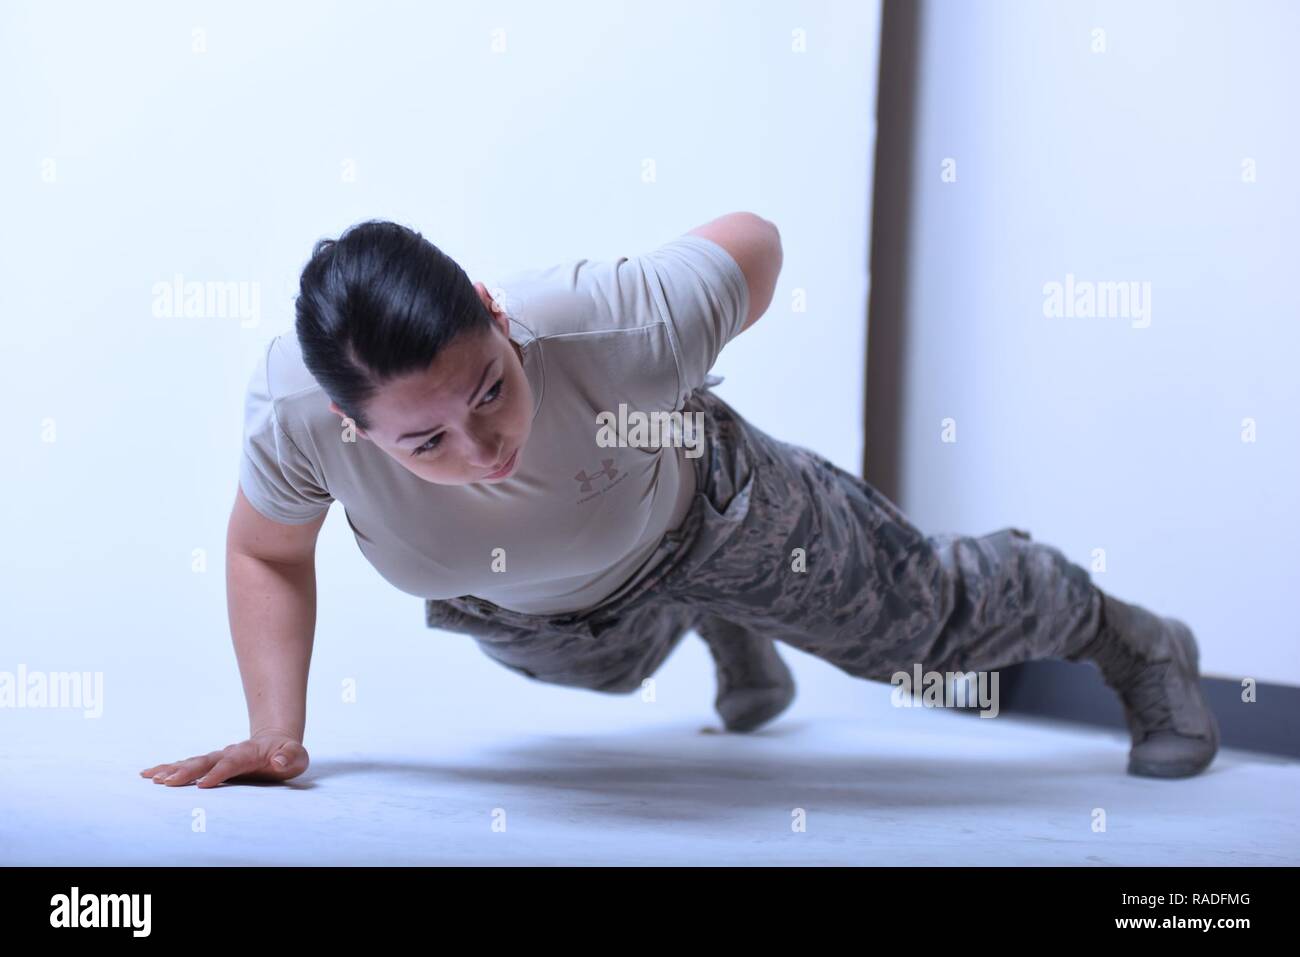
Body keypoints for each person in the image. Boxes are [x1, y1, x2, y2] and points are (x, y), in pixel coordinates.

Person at [139, 213, 1219, 790]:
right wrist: (274, 734)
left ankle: (1132, 642)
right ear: (349, 429)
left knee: (926, 633)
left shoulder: (610, 318)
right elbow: (266, 554)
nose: (484, 447)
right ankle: (715, 623)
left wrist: (682, 369)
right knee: (601, 675)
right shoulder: (290, 417)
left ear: (491, 312)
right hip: (542, 606)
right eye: (425, 441)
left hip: (715, 507)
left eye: (491, 391)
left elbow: (754, 239)